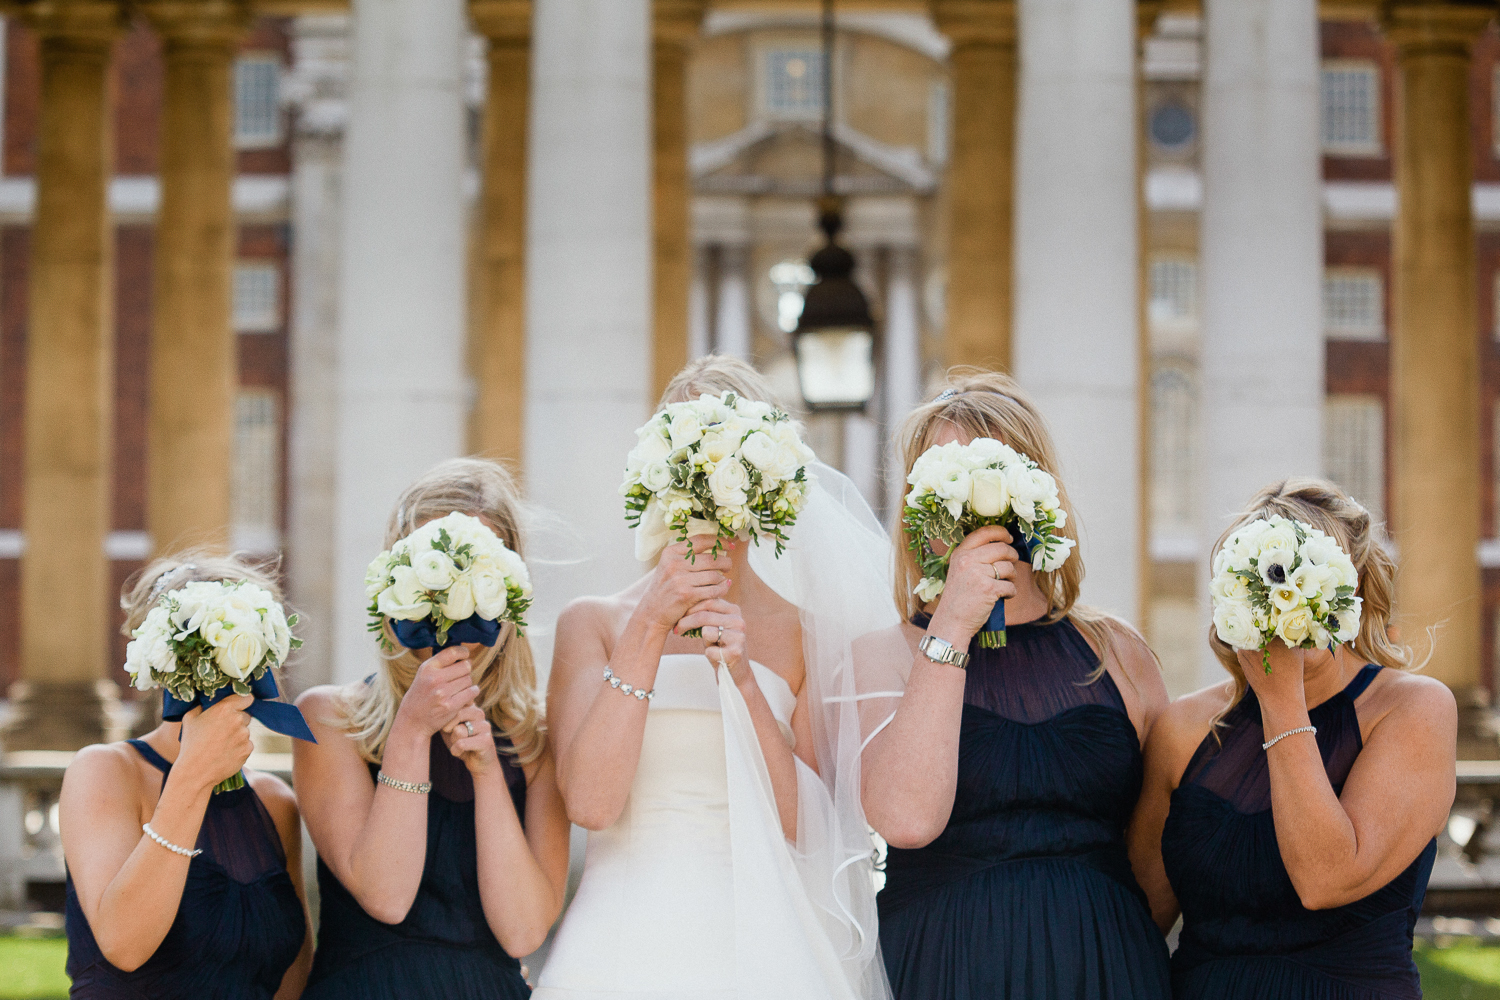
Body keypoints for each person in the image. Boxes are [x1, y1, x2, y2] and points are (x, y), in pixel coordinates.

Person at [534, 355, 896, 1000]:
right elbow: (591, 804)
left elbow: (809, 826)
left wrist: (745, 683)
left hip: (764, 942)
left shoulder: (804, 635)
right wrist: (650, 625)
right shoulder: (593, 624)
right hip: (621, 940)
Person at [860, 369, 1172, 999]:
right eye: (948, 477)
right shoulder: (882, 655)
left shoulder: (1118, 652)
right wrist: (950, 621)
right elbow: (906, 820)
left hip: (1105, 965)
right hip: (947, 964)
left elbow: (1161, 842)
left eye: (996, 470)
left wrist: (1100, 931)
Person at [1128, 479, 1456, 1000]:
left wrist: (1281, 698)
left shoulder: (1412, 708)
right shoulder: (1185, 729)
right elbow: (1139, 919)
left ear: (1351, 588)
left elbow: (1326, 879)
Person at [294, 458, 569, 999]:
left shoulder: (537, 738)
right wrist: (412, 733)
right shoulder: (330, 718)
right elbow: (387, 895)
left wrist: (488, 768)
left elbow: (523, 930)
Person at [60, 554, 313, 999]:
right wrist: (193, 774)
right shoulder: (105, 772)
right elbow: (125, 945)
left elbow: (293, 976)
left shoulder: (275, 801)